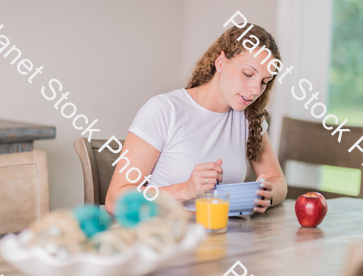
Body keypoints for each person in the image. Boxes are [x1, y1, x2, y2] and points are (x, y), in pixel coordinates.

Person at [105, 23, 287, 215]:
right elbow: (115, 200)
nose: (256, 90)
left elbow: (278, 181)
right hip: (169, 236)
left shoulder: (249, 119)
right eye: (248, 74)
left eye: (264, 82)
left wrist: (268, 194)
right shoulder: (164, 110)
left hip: (225, 238)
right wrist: (186, 189)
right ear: (221, 62)